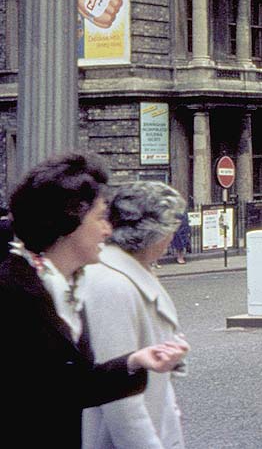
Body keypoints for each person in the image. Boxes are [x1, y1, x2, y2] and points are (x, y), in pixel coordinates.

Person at [0, 152, 189, 448]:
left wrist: (134, 361)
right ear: (70, 219)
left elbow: (69, 385)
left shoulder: (62, 286)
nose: (108, 230)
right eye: (100, 217)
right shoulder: (12, 293)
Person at [80, 180, 189, 449]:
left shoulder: (132, 269)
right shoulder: (111, 283)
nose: (171, 238)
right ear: (152, 233)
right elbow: (120, 399)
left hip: (155, 416)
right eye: (170, 229)